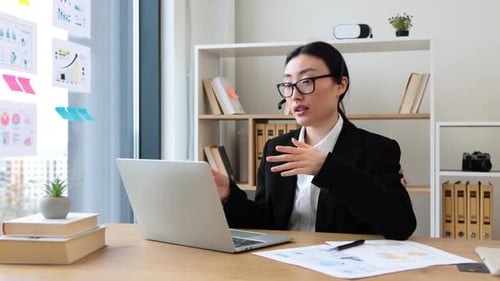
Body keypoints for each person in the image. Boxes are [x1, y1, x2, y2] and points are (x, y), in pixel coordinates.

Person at [212, 41, 417, 240]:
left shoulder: (377, 149)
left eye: (306, 82)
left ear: (341, 85)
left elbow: (401, 226)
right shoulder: (276, 148)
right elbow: (266, 223)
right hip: (283, 266)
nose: (295, 96)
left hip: (343, 268)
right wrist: (230, 195)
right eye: (288, 85)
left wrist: (327, 168)